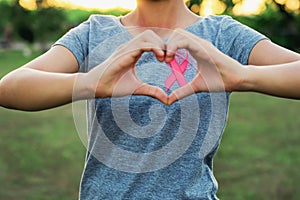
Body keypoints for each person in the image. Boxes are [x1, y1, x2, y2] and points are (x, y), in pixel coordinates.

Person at [0, 0, 300, 199]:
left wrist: (244, 76)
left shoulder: (221, 34)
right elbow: (10, 88)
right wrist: (91, 82)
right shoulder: (94, 32)